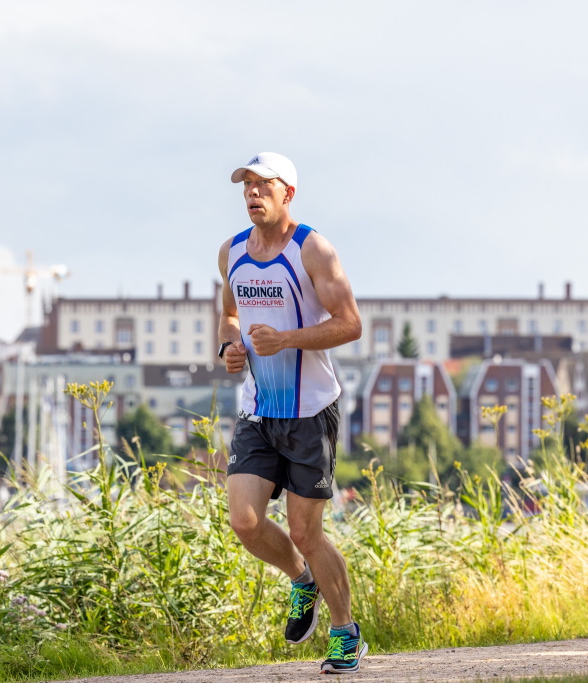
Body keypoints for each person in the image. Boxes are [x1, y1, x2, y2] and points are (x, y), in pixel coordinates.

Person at [217, 152, 366, 674]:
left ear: (288, 195)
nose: (253, 193)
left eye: (264, 185)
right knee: (244, 519)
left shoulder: (314, 250)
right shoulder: (231, 252)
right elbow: (230, 315)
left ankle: (346, 632)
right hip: (259, 410)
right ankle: (303, 580)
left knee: (306, 530)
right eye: (247, 186)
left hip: (310, 412)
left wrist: (286, 340)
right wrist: (230, 349)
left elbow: (350, 324)